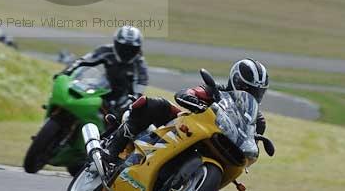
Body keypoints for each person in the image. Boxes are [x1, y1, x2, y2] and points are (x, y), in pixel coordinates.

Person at [106, 57, 269, 158]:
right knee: (155, 105)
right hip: (187, 129)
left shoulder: (256, 119)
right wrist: (196, 101)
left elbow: (250, 144)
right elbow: (186, 93)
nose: (252, 94)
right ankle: (111, 152)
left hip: (218, 149)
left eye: (257, 92)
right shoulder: (216, 91)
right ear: (235, 81)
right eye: (248, 89)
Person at [62, 25, 149, 115]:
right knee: (79, 95)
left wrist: (126, 106)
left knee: (121, 115)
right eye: (123, 47)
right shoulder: (106, 50)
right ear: (116, 43)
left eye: (131, 49)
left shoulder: (140, 65)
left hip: (123, 98)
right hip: (103, 86)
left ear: (138, 49)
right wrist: (66, 72)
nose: (126, 52)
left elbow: (138, 92)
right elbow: (83, 61)